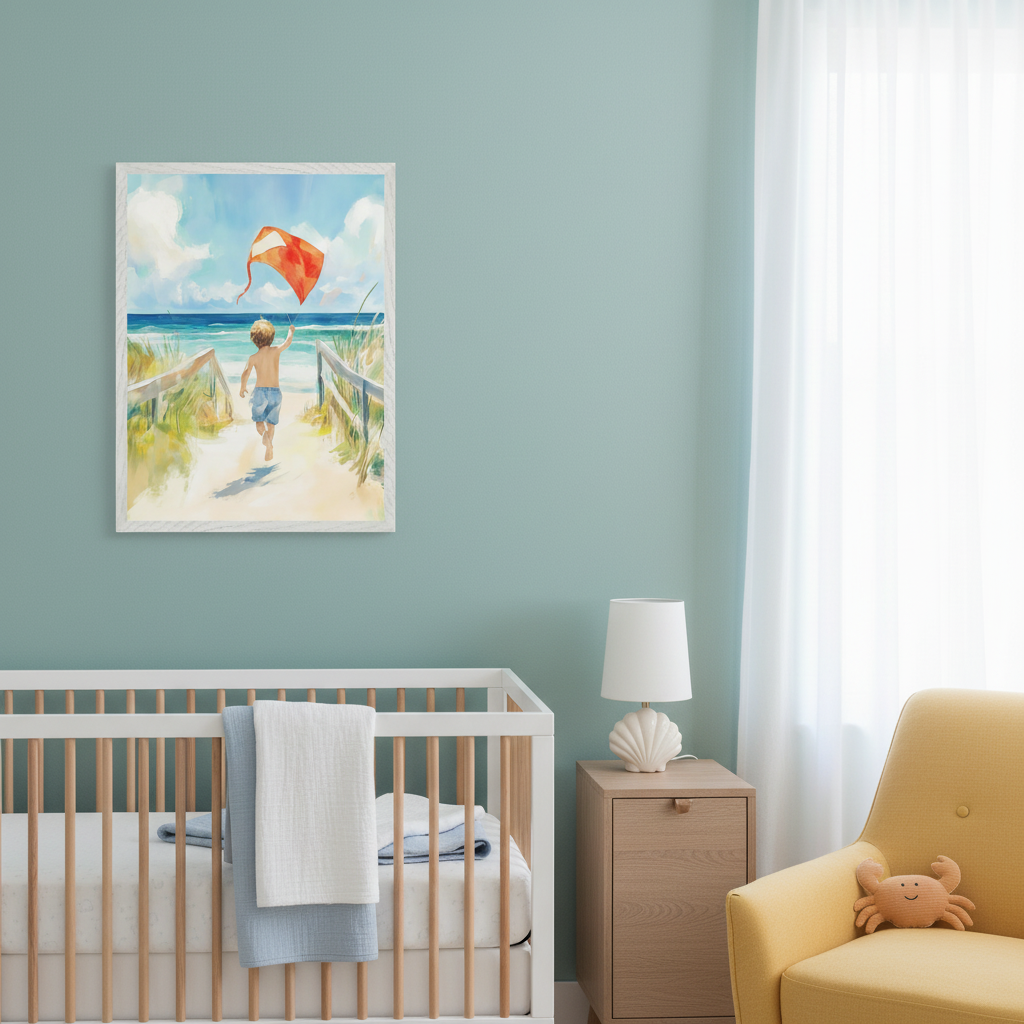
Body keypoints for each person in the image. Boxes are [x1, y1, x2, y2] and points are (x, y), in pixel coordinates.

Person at [240, 319, 294, 461]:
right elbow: (288, 342)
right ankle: (269, 444)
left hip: (260, 393)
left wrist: (243, 386)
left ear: (254, 339)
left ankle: (265, 438)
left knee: (259, 421)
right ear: (272, 337)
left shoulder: (253, 358)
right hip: (276, 393)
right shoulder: (276, 351)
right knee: (271, 423)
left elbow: (246, 372)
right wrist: (291, 331)